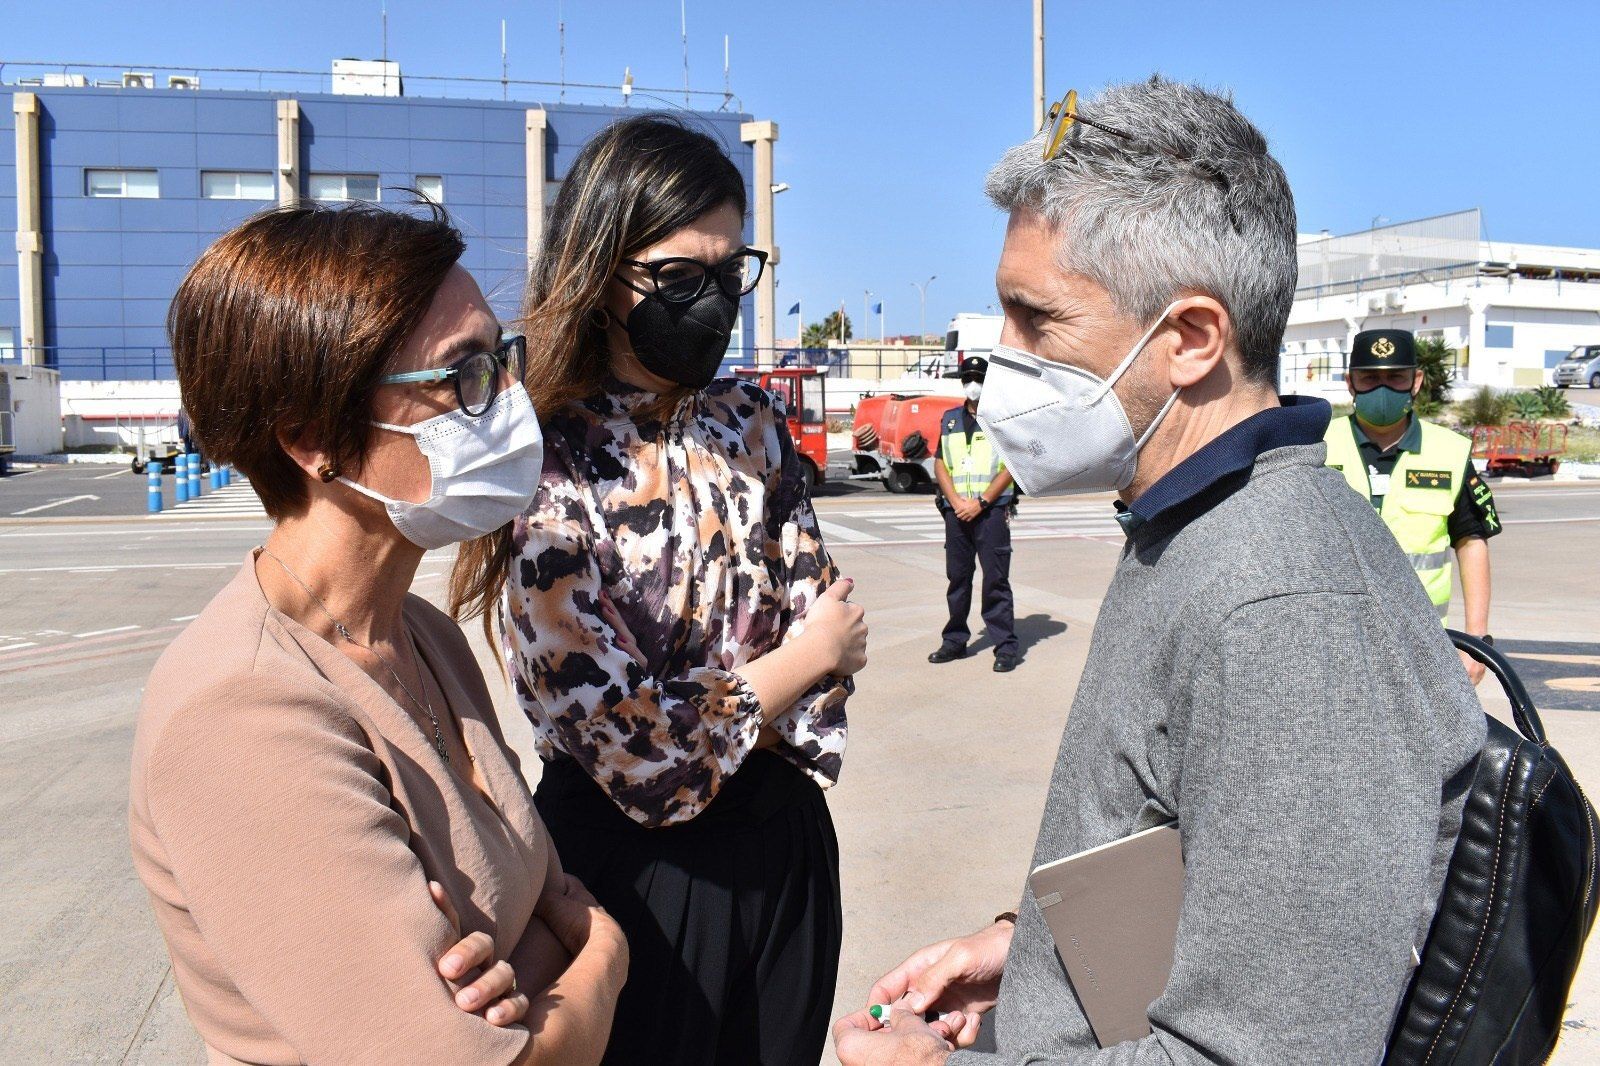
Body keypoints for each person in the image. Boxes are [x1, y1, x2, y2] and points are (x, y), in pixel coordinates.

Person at [834, 77, 1485, 1065]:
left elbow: (1266, 1052)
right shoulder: (1191, 527)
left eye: (1035, 321)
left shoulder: (1282, 601)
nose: (1001, 359)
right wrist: (1035, 953)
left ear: (1190, 340)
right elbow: (1204, 862)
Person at [129, 203, 627, 1065]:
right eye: (464, 374)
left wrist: (533, 976)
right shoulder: (242, 715)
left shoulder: (420, 633)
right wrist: (608, 957)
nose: (511, 400)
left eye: (503, 358)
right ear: (312, 438)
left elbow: (542, 893)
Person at [449, 115, 867, 1066]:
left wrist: (774, 681)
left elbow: (831, 647)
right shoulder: (545, 461)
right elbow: (638, 754)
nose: (713, 302)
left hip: (785, 846)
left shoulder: (752, 422)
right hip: (634, 879)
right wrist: (796, 662)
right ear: (601, 273)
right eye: (681, 276)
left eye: (731, 271)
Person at [1326, 327, 1501, 684]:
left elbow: (1471, 541)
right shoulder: (1316, 446)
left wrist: (1477, 640)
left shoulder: (1449, 452)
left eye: (1395, 377)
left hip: (1424, 646)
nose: (1383, 389)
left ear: (1416, 381)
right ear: (1350, 382)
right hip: (1330, 643)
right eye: (1370, 378)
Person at [929, 354, 1020, 672]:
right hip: (956, 512)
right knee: (958, 577)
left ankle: (1005, 646)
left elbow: (1011, 466)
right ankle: (955, 640)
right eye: (967, 378)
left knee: (995, 579)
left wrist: (980, 502)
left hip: (990, 511)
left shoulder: (1000, 420)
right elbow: (940, 462)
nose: (972, 384)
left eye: (978, 379)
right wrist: (955, 501)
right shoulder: (950, 419)